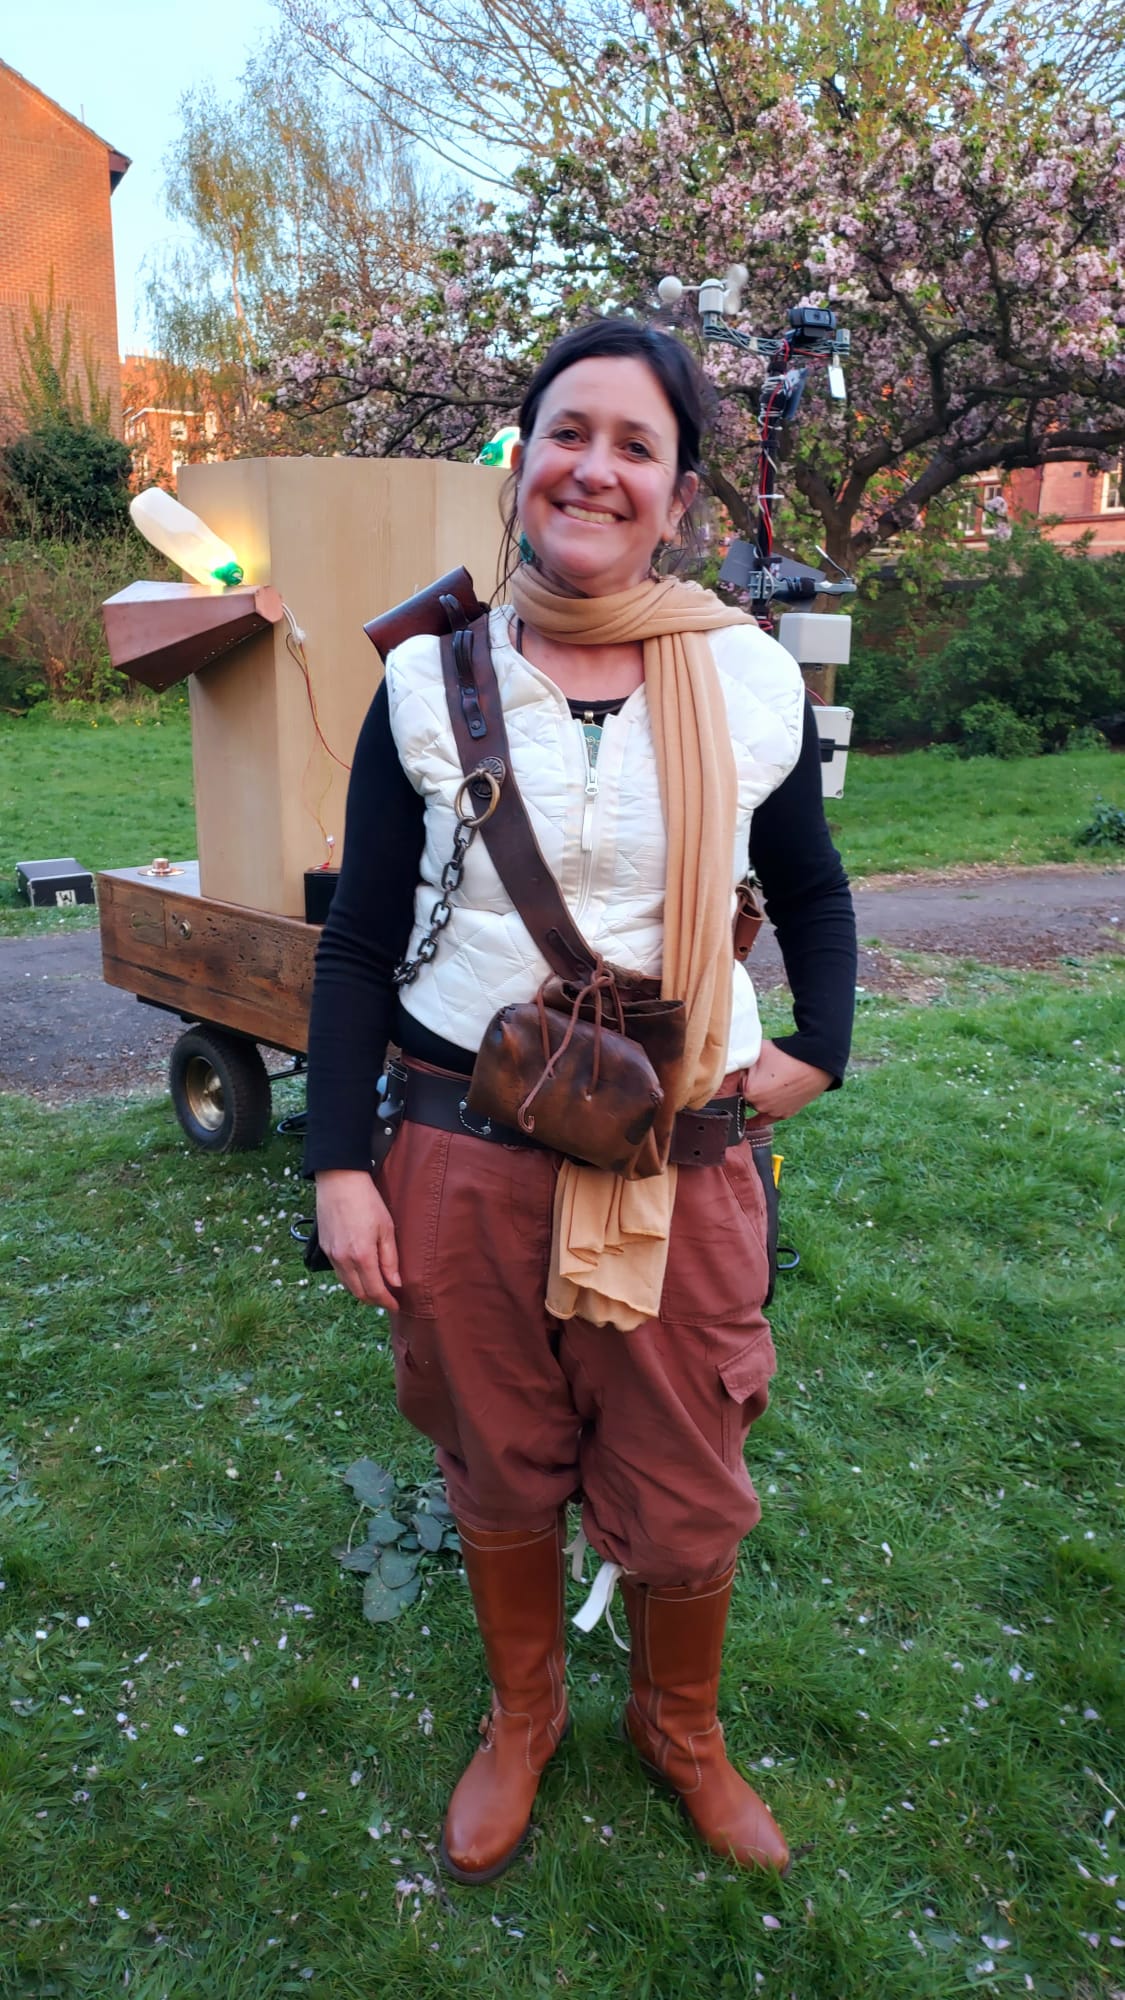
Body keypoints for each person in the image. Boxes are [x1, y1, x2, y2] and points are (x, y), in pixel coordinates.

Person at [304, 318, 856, 1886]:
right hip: (462, 1143)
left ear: (677, 499)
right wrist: (340, 1163)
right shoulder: (428, 677)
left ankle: (677, 1728)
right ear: (521, 456)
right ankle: (525, 1714)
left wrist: (822, 1046)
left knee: (686, 1464)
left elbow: (809, 887)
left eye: (634, 446)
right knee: (491, 1446)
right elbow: (354, 944)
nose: (593, 469)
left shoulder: (745, 677)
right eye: (568, 431)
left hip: (681, 1151)